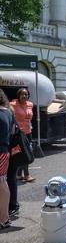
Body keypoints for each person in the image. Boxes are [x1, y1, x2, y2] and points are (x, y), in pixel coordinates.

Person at [10, 88, 34, 182]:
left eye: (26, 94)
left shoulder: (30, 104)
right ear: (18, 96)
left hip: (28, 132)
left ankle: (19, 174)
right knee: (24, 153)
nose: (24, 96)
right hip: (19, 133)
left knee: (26, 152)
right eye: (22, 94)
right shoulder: (13, 104)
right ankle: (27, 175)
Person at [0, 89, 14, 229]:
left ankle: (4, 218)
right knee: (2, 182)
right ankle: (4, 217)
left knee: (2, 183)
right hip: (4, 150)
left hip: (1, 151)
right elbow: (13, 131)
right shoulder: (8, 112)